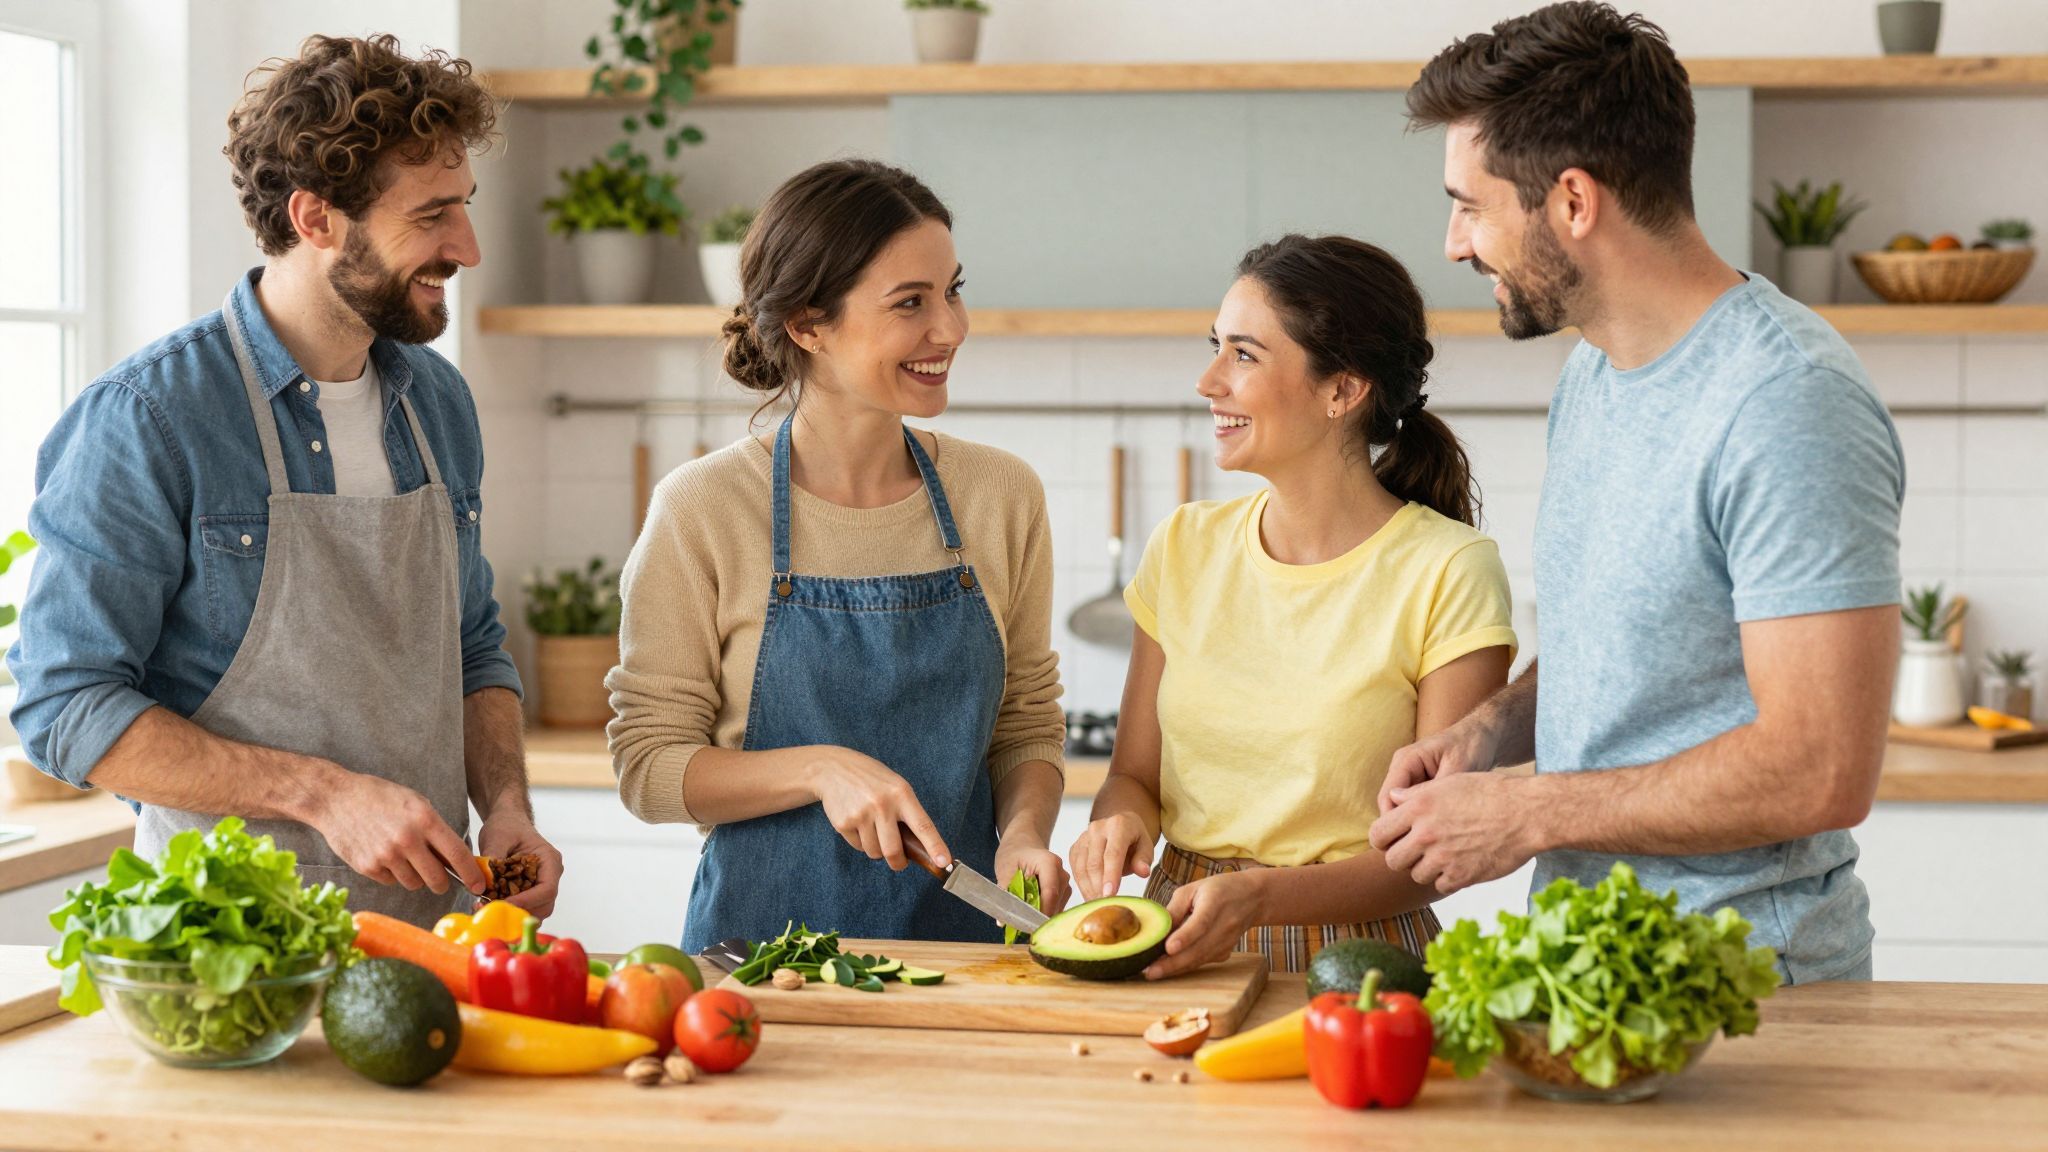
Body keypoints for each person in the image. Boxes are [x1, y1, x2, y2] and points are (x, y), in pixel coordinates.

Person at [1371, 1, 1904, 984]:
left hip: (1748, 988)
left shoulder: (1784, 401)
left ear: (1572, 201)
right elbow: (1629, 651)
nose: (1453, 243)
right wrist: (1491, 730)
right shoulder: (1594, 372)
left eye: (1471, 205)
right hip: (1589, 964)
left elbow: (1821, 770)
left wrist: (1526, 810)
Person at [7, 35, 560, 925]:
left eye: (463, 206)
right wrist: (323, 794)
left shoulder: (439, 402)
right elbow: (64, 706)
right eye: (431, 215)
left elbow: (471, 646)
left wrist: (506, 806)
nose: (467, 247)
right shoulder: (151, 417)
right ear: (315, 219)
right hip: (230, 947)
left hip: (434, 939)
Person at [608, 160, 1072, 951]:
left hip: (966, 956)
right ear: (807, 325)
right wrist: (821, 768)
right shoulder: (704, 509)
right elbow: (648, 766)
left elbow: (1026, 719)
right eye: (910, 303)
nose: (951, 328)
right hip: (761, 966)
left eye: (953, 290)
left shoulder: (1001, 494)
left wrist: (1024, 833)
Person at [1067, 234, 1516, 979]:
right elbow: (1133, 777)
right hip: (1175, 939)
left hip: (1358, 957)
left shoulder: (1448, 569)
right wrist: (1116, 824)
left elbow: (1431, 849)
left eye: (1243, 354)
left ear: (1342, 390)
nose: (1209, 380)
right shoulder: (1183, 544)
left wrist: (1259, 899)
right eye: (1216, 347)